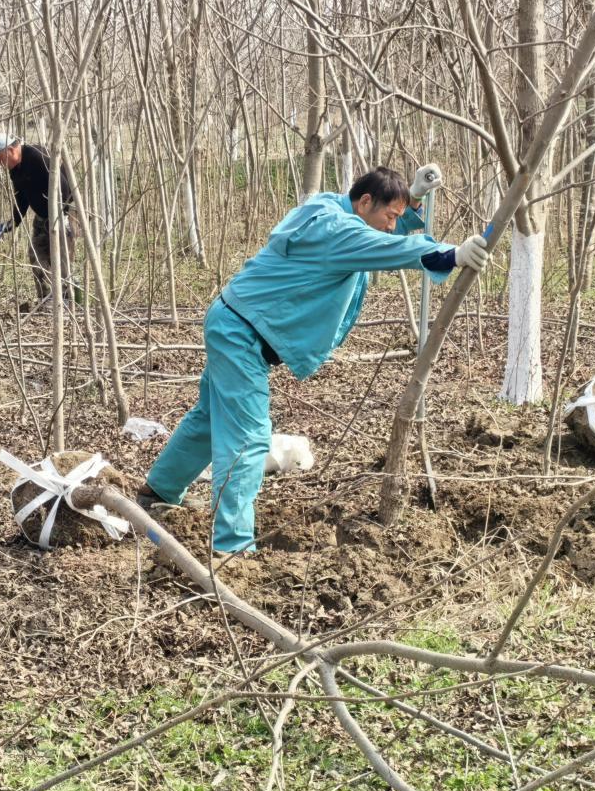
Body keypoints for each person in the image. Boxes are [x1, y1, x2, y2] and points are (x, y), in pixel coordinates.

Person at [138, 165, 491, 559]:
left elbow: (375, 231)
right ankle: (231, 548)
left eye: (397, 218)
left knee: (209, 418)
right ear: (365, 201)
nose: (393, 227)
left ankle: (158, 492)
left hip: (235, 321)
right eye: (390, 216)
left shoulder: (329, 207)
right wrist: (448, 253)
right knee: (249, 438)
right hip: (243, 334)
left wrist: (409, 200)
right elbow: (382, 247)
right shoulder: (336, 231)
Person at [0, 133, 78, 304]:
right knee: (36, 256)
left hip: (62, 214)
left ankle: (68, 301)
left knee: (63, 260)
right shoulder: (15, 169)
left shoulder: (37, 157)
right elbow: (21, 197)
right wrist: (13, 221)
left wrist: (59, 216)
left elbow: (64, 187)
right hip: (42, 216)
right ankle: (46, 300)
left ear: (10, 150)